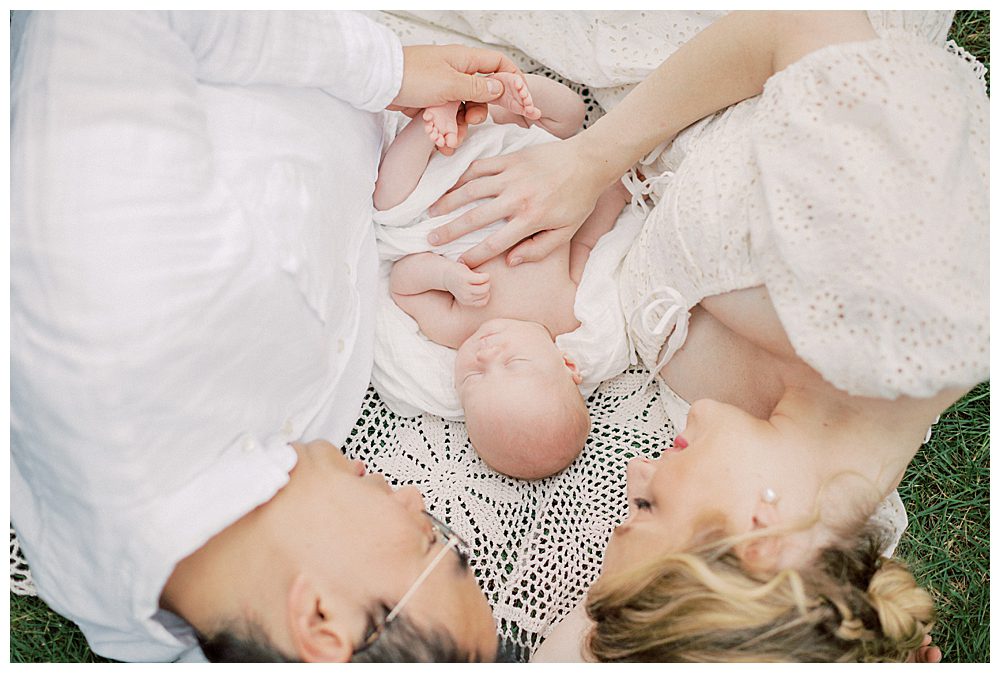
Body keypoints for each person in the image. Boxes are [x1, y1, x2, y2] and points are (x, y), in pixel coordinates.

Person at [425, 11, 987, 662]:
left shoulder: (798, 490)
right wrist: (589, 161)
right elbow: (798, 23)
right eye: (649, 504)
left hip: (608, 98)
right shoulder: (896, 296)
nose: (637, 469)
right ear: (760, 542)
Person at [10, 10, 524, 662]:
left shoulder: (112, 323)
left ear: (319, 618)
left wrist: (385, 68)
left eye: (428, 545)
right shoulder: (240, 535)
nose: (419, 498)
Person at [379, 73, 629, 478]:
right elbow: (586, 242)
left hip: (450, 179)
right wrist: (613, 188)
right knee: (569, 115)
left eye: (474, 377)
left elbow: (403, 284)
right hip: (522, 160)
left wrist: (446, 277)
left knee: (388, 196)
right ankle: (506, 86)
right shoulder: (567, 312)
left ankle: (434, 118)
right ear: (565, 364)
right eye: (513, 363)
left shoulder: (455, 328)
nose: (486, 355)